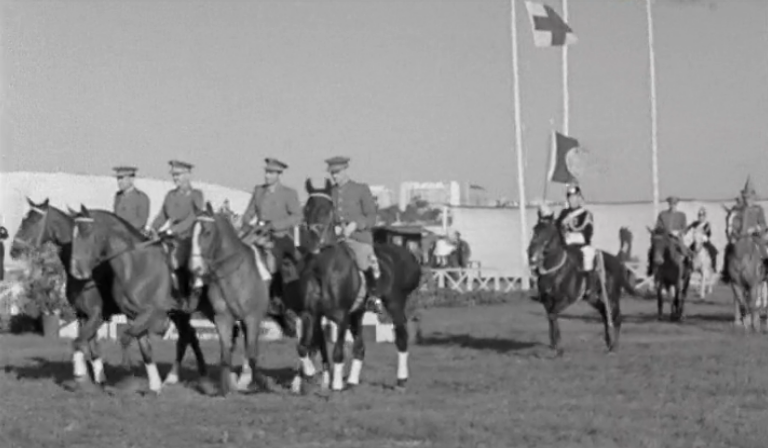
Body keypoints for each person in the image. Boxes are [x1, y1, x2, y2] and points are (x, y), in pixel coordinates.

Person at [325, 156, 382, 314]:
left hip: (359, 238)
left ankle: (373, 297)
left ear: (345, 170)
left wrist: (356, 224)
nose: (334, 176)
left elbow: (372, 216)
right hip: (336, 239)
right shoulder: (330, 192)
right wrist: (334, 227)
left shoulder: (360, 189)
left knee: (365, 263)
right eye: (332, 173)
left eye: (336, 173)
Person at [150, 160, 205, 310]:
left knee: (176, 261)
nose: (175, 178)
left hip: (189, 237)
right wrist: (152, 228)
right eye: (174, 175)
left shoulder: (196, 195)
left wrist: (172, 230)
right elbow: (163, 215)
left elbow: (194, 217)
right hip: (171, 236)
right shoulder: (170, 195)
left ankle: (184, 295)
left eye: (178, 175)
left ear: (188, 175)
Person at [241, 157, 302, 284]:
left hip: (280, 235)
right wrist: (246, 223)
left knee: (274, 260)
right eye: (266, 172)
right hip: (257, 232)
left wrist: (274, 225)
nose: (267, 176)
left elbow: (297, 216)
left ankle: (275, 289)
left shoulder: (289, 193)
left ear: (279, 174)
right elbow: (249, 212)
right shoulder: (259, 190)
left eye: (271, 173)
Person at [721, 177, 767, 282]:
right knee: (729, 248)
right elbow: (734, 223)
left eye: (750, 198)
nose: (748, 200)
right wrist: (734, 233)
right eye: (746, 198)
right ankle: (726, 272)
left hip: (754, 235)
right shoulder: (739, 210)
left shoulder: (758, 209)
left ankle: (765, 270)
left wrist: (755, 229)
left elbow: (763, 224)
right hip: (741, 236)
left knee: (762, 247)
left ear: (754, 198)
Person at [555, 185, 597, 284]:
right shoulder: (564, 213)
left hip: (580, 245)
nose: (572, 200)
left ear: (579, 198)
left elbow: (588, 234)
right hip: (564, 244)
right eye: (570, 197)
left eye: (574, 197)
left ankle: (588, 284)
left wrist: (573, 237)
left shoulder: (586, 214)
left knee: (589, 254)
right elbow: (556, 227)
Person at [647, 196, 689, 276]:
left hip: (676, 239)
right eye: (671, 203)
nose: (672, 205)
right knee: (652, 250)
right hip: (664, 238)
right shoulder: (662, 214)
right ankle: (651, 269)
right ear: (668, 204)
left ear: (676, 204)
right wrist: (660, 230)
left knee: (684, 251)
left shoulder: (682, 215)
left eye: (674, 203)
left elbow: (685, 228)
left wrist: (679, 232)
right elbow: (658, 226)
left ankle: (686, 270)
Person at [112, 166, 150, 233]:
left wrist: (124, 228)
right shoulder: (118, 196)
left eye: (122, 178)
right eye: (118, 179)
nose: (119, 182)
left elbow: (141, 221)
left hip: (134, 235)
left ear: (131, 179)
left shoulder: (141, 197)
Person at [686, 207, 717, 271]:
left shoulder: (707, 224)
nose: (700, 217)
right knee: (687, 251)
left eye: (702, 216)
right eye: (699, 215)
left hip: (704, 241)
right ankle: (688, 267)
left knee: (713, 251)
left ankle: (713, 267)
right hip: (695, 241)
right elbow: (688, 229)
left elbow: (708, 234)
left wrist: (704, 237)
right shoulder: (694, 223)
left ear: (705, 216)